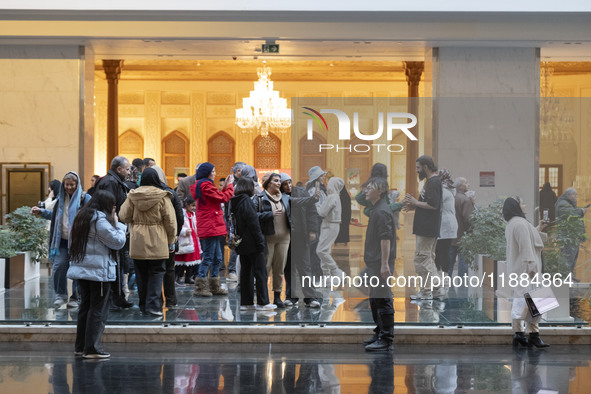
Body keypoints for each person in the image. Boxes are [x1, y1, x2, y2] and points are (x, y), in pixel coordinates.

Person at [67, 190, 127, 359]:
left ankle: (81, 346)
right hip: (98, 272)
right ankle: (92, 348)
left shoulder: (82, 217)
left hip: (83, 270)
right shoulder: (99, 220)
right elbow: (117, 242)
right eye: (113, 206)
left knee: (85, 307)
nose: (114, 209)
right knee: (98, 309)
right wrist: (119, 225)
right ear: (108, 205)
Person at [119, 167, 177, 317]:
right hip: (158, 240)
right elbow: (170, 222)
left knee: (141, 274)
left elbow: (123, 216)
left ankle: (143, 305)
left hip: (137, 240)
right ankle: (154, 306)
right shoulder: (163, 197)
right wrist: (172, 241)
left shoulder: (132, 196)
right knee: (157, 273)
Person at [31, 171, 92, 308]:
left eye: (72, 184)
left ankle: (76, 297)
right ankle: (60, 295)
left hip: (78, 241)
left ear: (77, 184)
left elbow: (93, 215)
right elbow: (55, 216)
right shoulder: (60, 199)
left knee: (77, 269)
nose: (69, 187)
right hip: (61, 241)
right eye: (67, 184)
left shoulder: (85, 198)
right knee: (59, 267)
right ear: (63, 185)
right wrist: (41, 212)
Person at [503, 196, 549, 348]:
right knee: (539, 300)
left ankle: (519, 334)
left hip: (517, 269)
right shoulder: (521, 223)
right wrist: (533, 270)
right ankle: (533, 336)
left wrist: (539, 228)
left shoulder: (512, 223)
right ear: (516, 206)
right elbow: (526, 248)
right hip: (527, 270)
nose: (525, 205)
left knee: (521, 301)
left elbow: (526, 239)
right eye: (522, 203)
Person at [229, 178, 276, 311]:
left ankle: (246, 302)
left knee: (245, 273)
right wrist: (260, 242)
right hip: (253, 243)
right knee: (260, 272)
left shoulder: (235, 201)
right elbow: (253, 223)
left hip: (242, 243)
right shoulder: (247, 202)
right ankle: (263, 302)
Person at [94, 156, 133, 309]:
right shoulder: (110, 182)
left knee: (117, 263)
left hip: (114, 228)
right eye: (127, 169)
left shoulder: (113, 181)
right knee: (114, 263)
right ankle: (114, 298)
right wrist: (114, 227)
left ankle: (117, 297)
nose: (129, 172)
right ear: (119, 169)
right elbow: (108, 206)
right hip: (111, 230)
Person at [362, 177, 395, 352]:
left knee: (382, 299)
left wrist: (384, 264)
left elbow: (385, 238)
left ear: (380, 191)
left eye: (370, 187)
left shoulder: (381, 211)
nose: (366, 190)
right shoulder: (376, 209)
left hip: (380, 265)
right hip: (374, 263)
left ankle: (386, 337)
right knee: (376, 299)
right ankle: (379, 331)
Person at [190, 162, 233, 297]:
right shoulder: (205, 185)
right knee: (208, 257)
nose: (214, 173)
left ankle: (214, 285)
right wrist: (230, 185)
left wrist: (225, 185)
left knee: (217, 257)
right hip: (210, 225)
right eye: (213, 171)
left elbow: (216, 197)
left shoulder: (204, 185)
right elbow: (223, 198)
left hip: (212, 225)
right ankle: (200, 287)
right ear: (207, 173)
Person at [403, 155, 443, 300]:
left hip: (427, 228)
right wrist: (414, 204)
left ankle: (433, 288)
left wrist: (415, 202)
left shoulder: (433, 183)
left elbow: (433, 205)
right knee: (427, 259)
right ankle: (432, 290)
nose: (417, 171)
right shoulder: (431, 182)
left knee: (422, 259)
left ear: (426, 167)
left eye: (418, 168)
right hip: (427, 227)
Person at [280, 173, 321, 308]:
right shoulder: (278, 196)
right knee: (289, 267)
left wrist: (312, 230)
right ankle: (291, 297)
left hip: (301, 234)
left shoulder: (301, 192)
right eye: (285, 184)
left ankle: (310, 297)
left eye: (289, 183)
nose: (288, 186)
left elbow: (312, 211)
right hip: (286, 236)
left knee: (305, 266)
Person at [253, 173, 291, 308]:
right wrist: (269, 214)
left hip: (285, 238)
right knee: (265, 269)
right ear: (268, 183)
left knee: (279, 269)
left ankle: (277, 297)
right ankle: (263, 298)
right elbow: (253, 216)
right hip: (267, 238)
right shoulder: (259, 198)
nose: (279, 183)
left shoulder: (286, 198)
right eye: (276, 181)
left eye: (279, 181)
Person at [555, 187, 588, 281]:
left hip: (572, 236)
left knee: (572, 258)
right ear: (569, 195)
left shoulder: (568, 204)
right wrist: (581, 211)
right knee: (568, 258)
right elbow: (570, 214)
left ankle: (570, 277)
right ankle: (566, 278)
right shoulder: (562, 204)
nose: (576, 196)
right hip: (567, 236)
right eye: (575, 194)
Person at [316, 177, 345, 277]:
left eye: (329, 184)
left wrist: (316, 205)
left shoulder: (332, 197)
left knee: (320, 250)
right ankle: (326, 276)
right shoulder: (336, 196)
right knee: (326, 251)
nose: (327, 185)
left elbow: (322, 212)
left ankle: (335, 270)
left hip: (329, 225)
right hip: (332, 225)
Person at [434, 168, 457, 295]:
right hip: (447, 225)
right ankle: (443, 279)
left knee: (441, 252)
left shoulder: (443, 190)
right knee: (442, 251)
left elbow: (434, 204)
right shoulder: (448, 189)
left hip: (444, 225)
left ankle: (443, 279)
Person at [449, 177, 475, 277]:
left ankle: (447, 286)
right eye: (466, 183)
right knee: (463, 264)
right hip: (463, 237)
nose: (468, 184)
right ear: (460, 186)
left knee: (449, 264)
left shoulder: (451, 197)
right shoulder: (466, 200)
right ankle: (462, 288)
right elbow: (469, 219)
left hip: (451, 236)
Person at [175, 196, 201, 285]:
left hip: (193, 239)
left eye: (195, 206)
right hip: (185, 239)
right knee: (182, 260)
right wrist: (184, 231)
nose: (194, 208)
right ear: (187, 205)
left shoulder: (193, 214)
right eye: (192, 206)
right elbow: (178, 225)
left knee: (192, 260)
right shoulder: (182, 214)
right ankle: (179, 276)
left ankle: (188, 277)